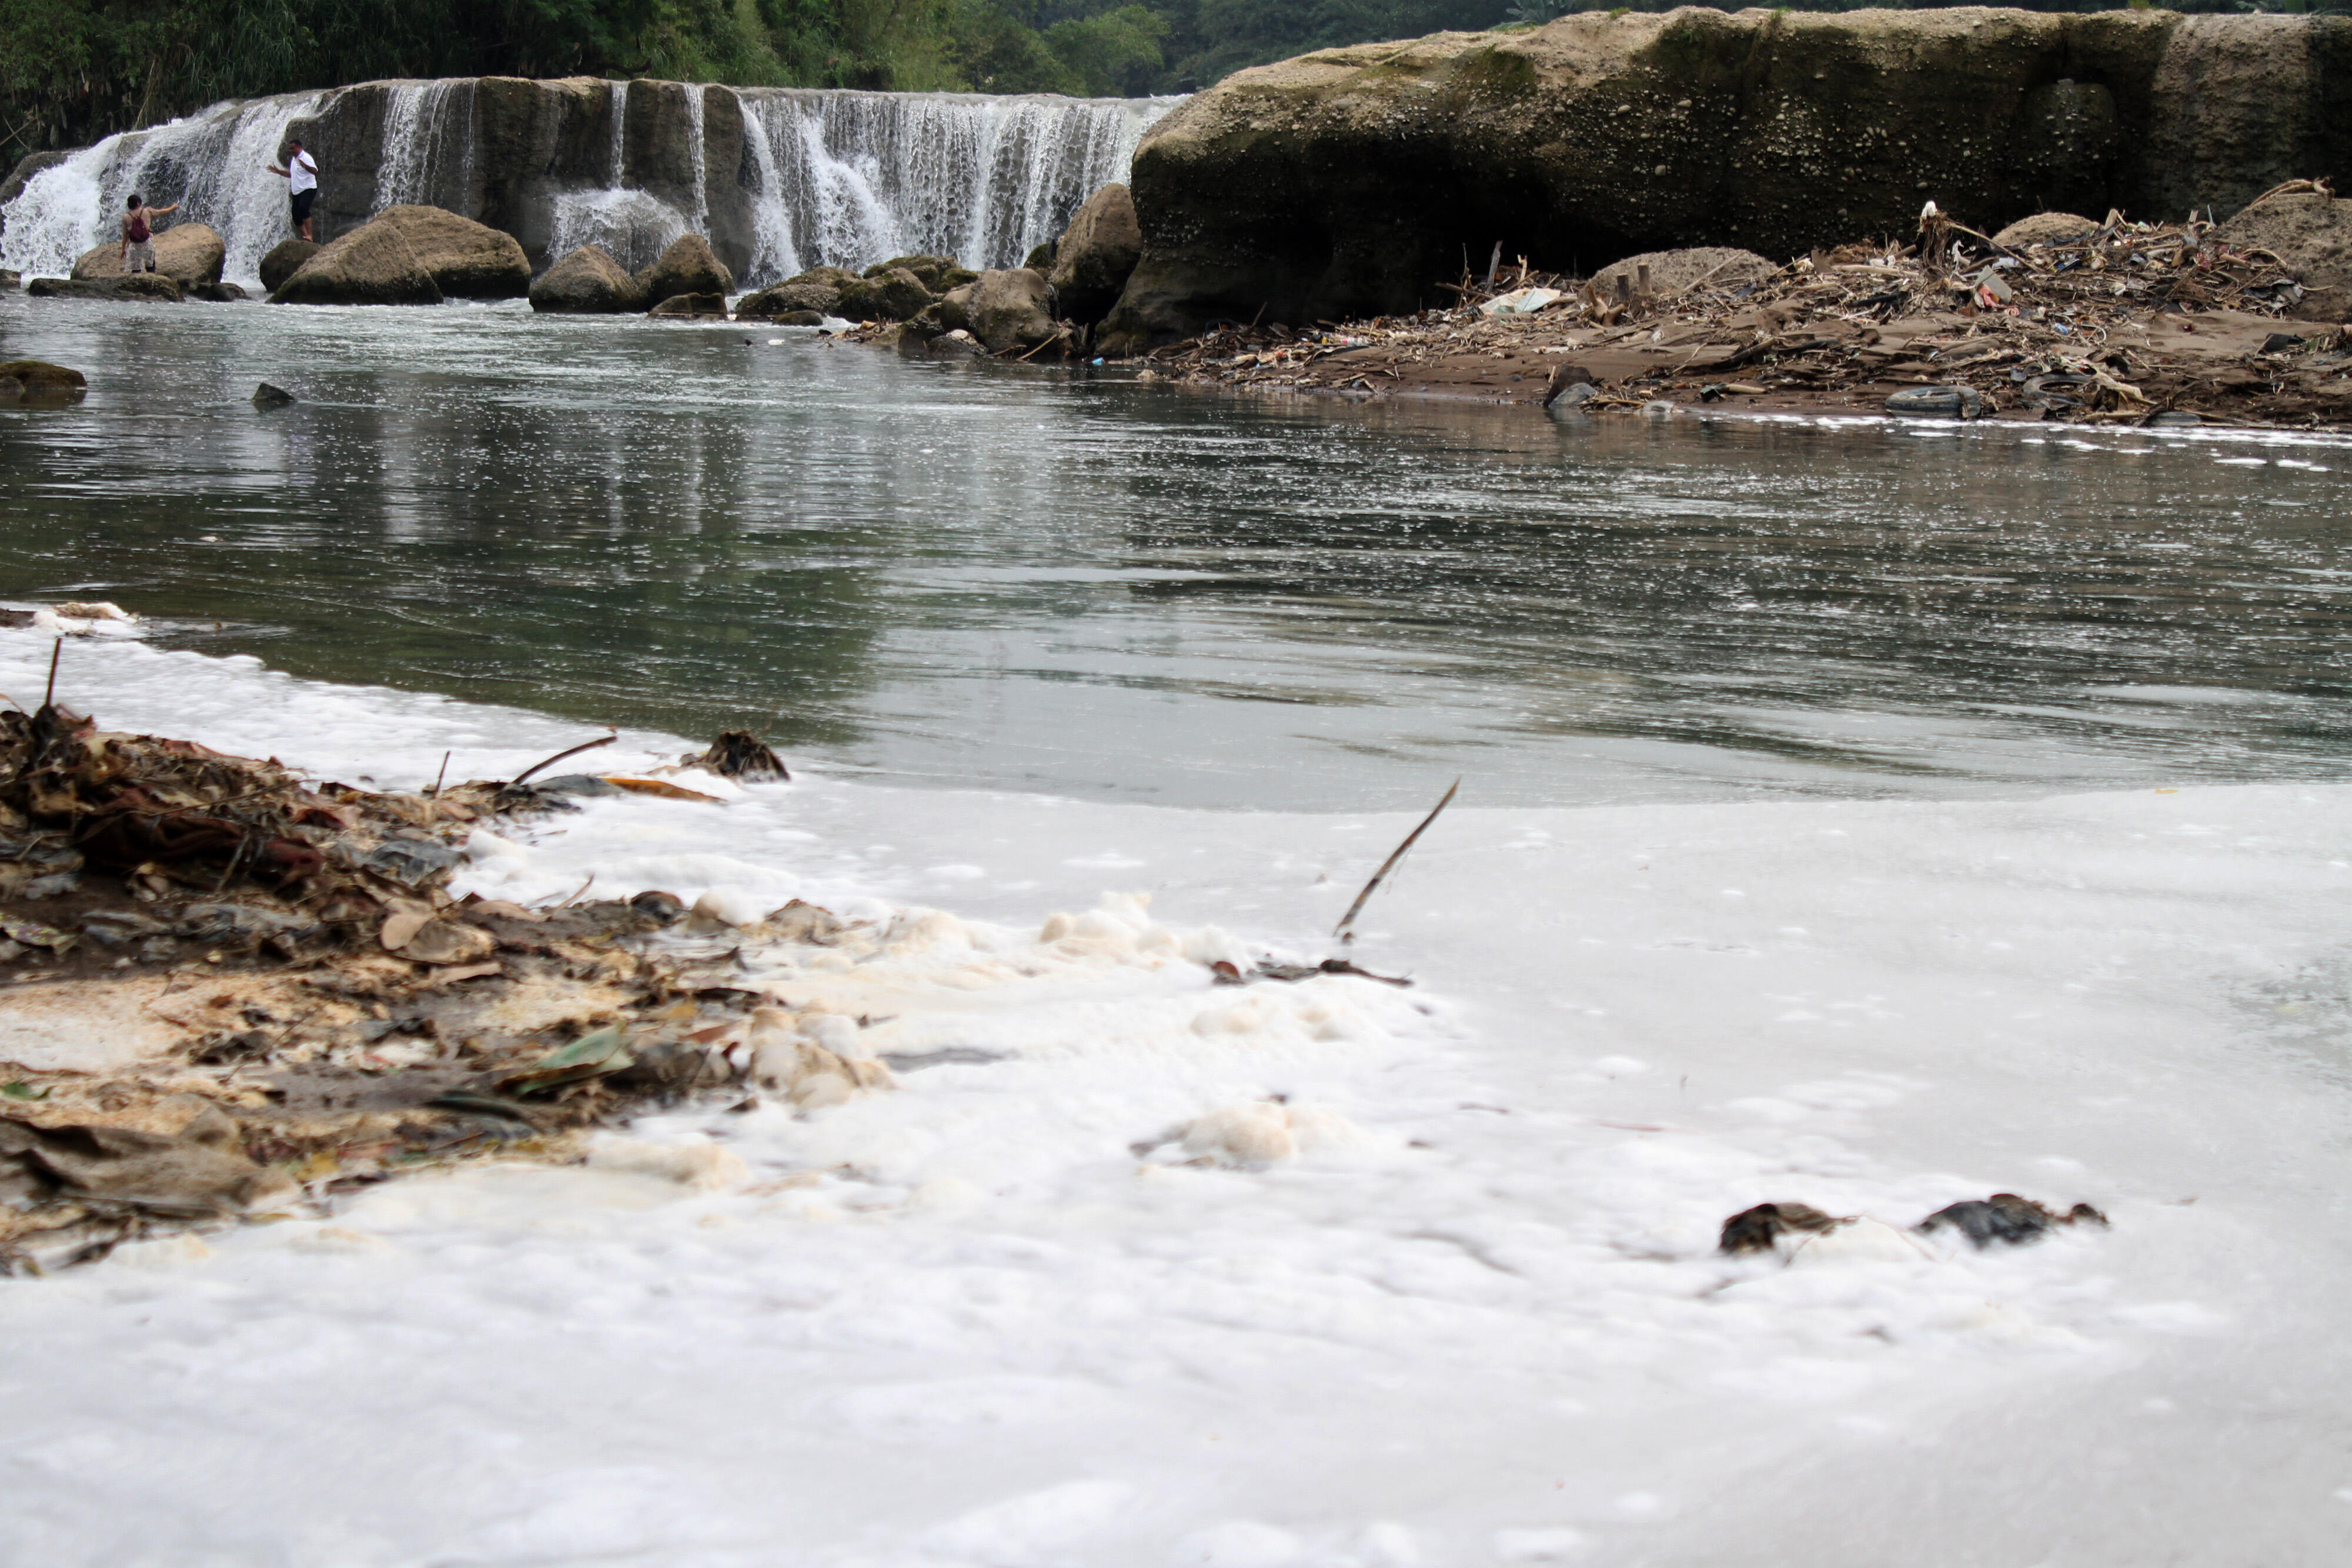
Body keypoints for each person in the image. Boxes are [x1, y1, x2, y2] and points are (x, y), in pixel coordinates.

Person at [267, 138, 319, 241]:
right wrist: (278, 171)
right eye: (290, 149)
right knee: (296, 216)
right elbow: (292, 175)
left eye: (293, 148)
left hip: (308, 188)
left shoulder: (306, 158)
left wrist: (305, 166)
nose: (291, 151)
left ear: (299, 147)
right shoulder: (294, 160)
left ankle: (310, 234)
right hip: (297, 191)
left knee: (304, 208)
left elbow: (315, 171)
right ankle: (306, 236)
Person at [119, 192, 178, 273]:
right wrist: (173, 208)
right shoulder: (147, 211)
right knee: (151, 266)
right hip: (147, 242)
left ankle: (137, 283)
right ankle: (152, 281)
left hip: (134, 244)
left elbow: (125, 235)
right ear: (138, 203)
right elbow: (161, 212)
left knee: (136, 270)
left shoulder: (126, 217)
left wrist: (123, 249)